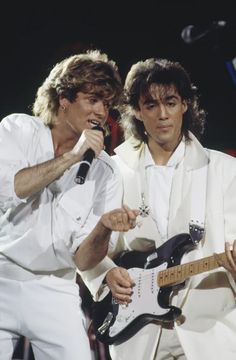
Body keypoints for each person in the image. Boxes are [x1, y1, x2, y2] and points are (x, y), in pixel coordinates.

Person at [81, 57, 236, 360]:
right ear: (137, 111)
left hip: (209, 332)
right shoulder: (113, 171)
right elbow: (84, 246)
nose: (162, 114)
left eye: (171, 102)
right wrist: (105, 275)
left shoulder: (225, 170)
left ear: (186, 105)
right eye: (150, 105)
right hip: (137, 336)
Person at [0, 49, 139, 360]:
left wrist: (104, 227)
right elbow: (10, 189)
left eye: (107, 103)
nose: (102, 112)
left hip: (56, 288)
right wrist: (73, 157)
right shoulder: (18, 130)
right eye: (93, 99)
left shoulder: (107, 171)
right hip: (3, 277)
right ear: (64, 98)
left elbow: (85, 260)